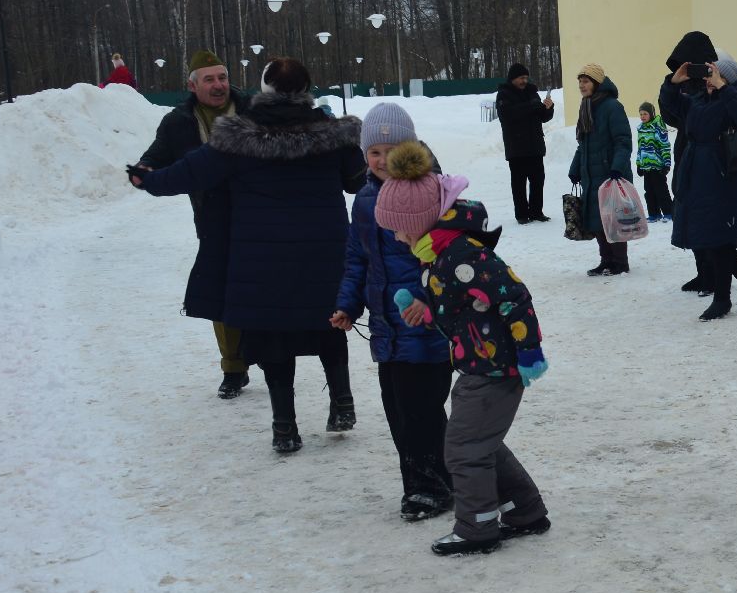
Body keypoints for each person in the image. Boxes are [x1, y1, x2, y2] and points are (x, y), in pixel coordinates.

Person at [133, 57, 365, 453]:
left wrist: (148, 179)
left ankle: (284, 426)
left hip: (261, 258)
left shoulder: (238, 138)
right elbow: (354, 180)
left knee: (273, 334)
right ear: (307, 89)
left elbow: (190, 173)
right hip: (324, 250)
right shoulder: (332, 133)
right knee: (327, 319)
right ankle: (341, 401)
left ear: (265, 89)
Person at [375, 142, 550, 557]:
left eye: (398, 229)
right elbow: (462, 308)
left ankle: (477, 528)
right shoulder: (439, 256)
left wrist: (529, 352)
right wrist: (424, 306)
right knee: (478, 440)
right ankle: (524, 510)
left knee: (462, 447)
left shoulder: (460, 256)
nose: (397, 237)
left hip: (497, 366)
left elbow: (513, 297)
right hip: (481, 362)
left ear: (418, 222)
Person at [332, 103, 455, 522]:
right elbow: (357, 258)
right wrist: (347, 304)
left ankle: (430, 488)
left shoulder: (432, 190)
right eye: (374, 152)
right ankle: (424, 482)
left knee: (423, 411)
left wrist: (432, 300)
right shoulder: (365, 200)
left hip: (428, 325)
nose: (382, 160)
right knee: (399, 412)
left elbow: (452, 256)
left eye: (392, 149)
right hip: (387, 328)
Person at [131, 50, 255, 399]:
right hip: (212, 217)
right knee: (222, 290)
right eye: (209, 79)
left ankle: (270, 355)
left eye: (222, 78)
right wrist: (145, 169)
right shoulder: (178, 122)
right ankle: (233, 367)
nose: (218, 86)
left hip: (258, 214)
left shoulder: (252, 111)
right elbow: (156, 156)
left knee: (262, 285)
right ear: (192, 85)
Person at [660, 48, 737, 320]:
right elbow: (670, 109)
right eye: (708, 74)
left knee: (717, 238)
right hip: (695, 173)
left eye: (714, 74)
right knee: (710, 238)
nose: (708, 79)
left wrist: (724, 88)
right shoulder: (698, 99)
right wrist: (671, 84)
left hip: (722, 175)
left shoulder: (736, 97)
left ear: (727, 78)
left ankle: (723, 299)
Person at [665, 31, 719, 295]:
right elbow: (669, 115)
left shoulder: (719, 80)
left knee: (707, 219)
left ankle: (714, 275)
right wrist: (672, 84)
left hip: (711, 160)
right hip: (686, 156)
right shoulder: (683, 87)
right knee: (689, 217)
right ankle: (702, 272)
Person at [568, 62, 634, 276]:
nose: (581, 85)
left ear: (596, 83)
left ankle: (620, 262)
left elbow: (623, 141)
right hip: (591, 173)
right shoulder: (586, 106)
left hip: (610, 174)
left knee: (613, 220)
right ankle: (606, 260)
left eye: (585, 81)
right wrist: (575, 168)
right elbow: (583, 144)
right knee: (596, 219)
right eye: (579, 81)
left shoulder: (612, 106)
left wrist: (616, 168)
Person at [493, 63, 553, 224]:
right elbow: (507, 115)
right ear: (513, 78)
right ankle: (521, 214)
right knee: (519, 183)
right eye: (521, 78)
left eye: (526, 77)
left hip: (535, 146)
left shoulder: (532, 92)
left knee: (538, 181)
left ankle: (536, 212)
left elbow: (543, 116)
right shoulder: (503, 94)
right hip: (516, 147)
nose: (524, 81)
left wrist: (548, 108)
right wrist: (531, 106)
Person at [635, 103, 674, 222]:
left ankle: (669, 212)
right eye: (641, 114)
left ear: (651, 113)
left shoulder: (657, 127)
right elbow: (640, 148)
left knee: (661, 190)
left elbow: (664, 146)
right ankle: (654, 213)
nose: (643, 116)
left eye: (645, 114)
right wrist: (639, 164)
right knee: (649, 191)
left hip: (658, 166)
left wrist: (666, 163)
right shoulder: (641, 128)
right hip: (646, 166)